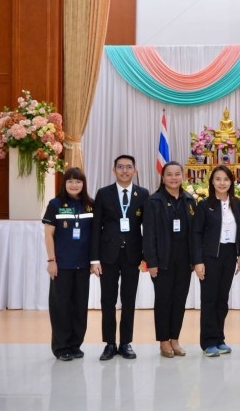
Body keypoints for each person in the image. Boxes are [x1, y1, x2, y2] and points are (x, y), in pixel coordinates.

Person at [90, 154, 150, 361]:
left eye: (129, 167)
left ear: (135, 170)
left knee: (129, 299)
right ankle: (109, 343)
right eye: (121, 167)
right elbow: (96, 227)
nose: (125, 171)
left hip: (133, 254)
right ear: (114, 170)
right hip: (108, 255)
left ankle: (126, 343)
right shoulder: (103, 193)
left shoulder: (143, 194)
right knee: (107, 300)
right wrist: (94, 259)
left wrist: (147, 257)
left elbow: (148, 228)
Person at [142, 161, 196, 359]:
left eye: (177, 174)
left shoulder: (189, 200)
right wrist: (151, 262)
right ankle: (164, 340)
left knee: (179, 300)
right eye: (169, 174)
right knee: (164, 301)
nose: (174, 178)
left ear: (183, 177)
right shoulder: (154, 201)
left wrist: (194, 259)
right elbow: (148, 234)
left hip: (184, 260)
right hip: (162, 260)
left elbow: (194, 233)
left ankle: (175, 339)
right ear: (163, 178)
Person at [43, 167, 95, 361]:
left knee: (79, 307)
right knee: (61, 306)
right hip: (62, 265)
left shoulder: (90, 205)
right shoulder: (55, 204)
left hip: (83, 265)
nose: (74, 185)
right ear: (64, 183)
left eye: (78, 181)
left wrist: (94, 261)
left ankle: (75, 345)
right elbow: (49, 234)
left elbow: (96, 235)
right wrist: (51, 261)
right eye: (70, 181)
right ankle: (61, 347)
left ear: (83, 184)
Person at [193, 166, 240, 357]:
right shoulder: (204, 205)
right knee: (210, 299)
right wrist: (198, 261)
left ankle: (219, 338)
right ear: (212, 182)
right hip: (210, 256)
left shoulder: (236, 203)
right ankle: (208, 342)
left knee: (222, 299)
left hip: (229, 254)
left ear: (231, 182)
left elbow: (239, 230)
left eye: (226, 179)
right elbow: (196, 234)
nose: (222, 183)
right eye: (218, 179)